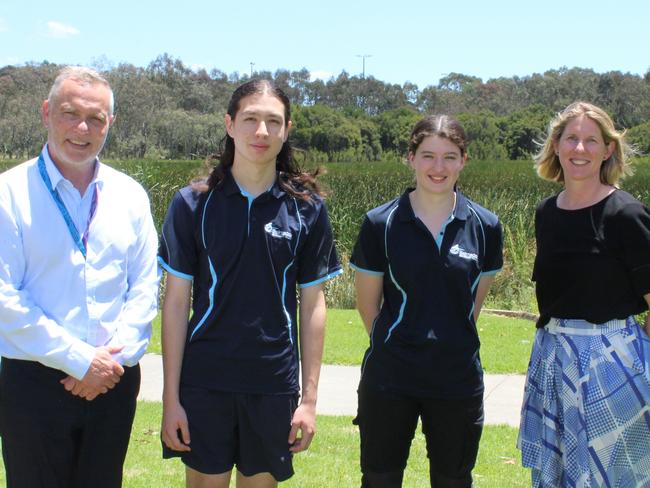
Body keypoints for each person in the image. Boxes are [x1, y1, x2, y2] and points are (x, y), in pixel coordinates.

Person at [158, 79, 342, 487]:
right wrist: (171, 399)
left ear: (287, 130)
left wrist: (309, 401)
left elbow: (313, 306)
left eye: (273, 122)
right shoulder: (191, 204)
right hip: (205, 379)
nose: (262, 132)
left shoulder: (307, 209)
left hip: (272, 382)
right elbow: (175, 304)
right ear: (229, 124)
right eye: (251, 119)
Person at [0, 66, 160, 487]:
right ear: (46, 112)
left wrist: (109, 362)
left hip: (113, 380)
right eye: (70, 113)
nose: (82, 128)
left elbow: (144, 288)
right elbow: (4, 299)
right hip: (33, 380)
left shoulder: (130, 195)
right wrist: (79, 359)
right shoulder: (9, 193)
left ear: (111, 124)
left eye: (97, 118)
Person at [350, 115, 503, 487]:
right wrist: (401, 344)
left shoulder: (486, 226)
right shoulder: (379, 223)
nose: (439, 167)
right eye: (428, 155)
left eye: (450, 156)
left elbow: (471, 306)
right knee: (380, 479)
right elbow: (367, 305)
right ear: (411, 158)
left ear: (464, 160)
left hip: (457, 380)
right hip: (390, 379)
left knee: (453, 480)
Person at [518, 101, 650, 487]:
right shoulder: (547, 213)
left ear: (608, 149)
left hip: (614, 366)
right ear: (556, 145)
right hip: (552, 358)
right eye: (571, 138)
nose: (580, 149)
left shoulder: (626, 214)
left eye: (591, 140)